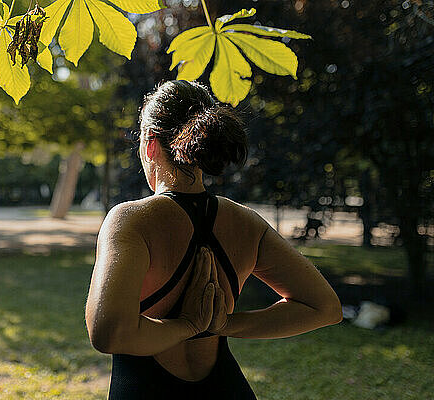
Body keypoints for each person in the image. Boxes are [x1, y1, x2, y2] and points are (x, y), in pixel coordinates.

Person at [85, 80, 342, 399]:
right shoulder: (245, 223)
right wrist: (223, 324)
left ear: (150, 145)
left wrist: (190, 325)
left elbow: (109, 333)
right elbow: (325, 307)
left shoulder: (130, 220)